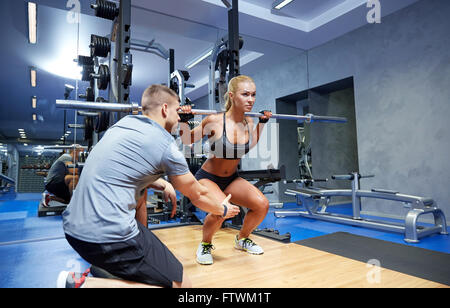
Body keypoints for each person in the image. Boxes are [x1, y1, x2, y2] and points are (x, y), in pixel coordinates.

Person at [58, 85, 240, 288]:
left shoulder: (123, 125)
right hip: (108, 235)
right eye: (177, 111)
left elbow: (122, 169)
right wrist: (223, 209)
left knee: (141, 197)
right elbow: (197, 195)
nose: (180, 117)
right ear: (164, 109)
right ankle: (84, 285)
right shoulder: (165, 146)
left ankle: (105, 271)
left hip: (73, 227)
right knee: (183, 287)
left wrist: (161, 183)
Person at [179, 75, 272, 265]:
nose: (251, 100)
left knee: (262, 205)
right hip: (209, 177)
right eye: (245, 94)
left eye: (253, 95)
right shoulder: (213, 120)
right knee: (223, 210)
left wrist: (262, 124)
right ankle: (205, 244)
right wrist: (184, 121)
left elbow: (250, 144)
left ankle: (242, 239)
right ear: (231, 95)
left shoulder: (250, 122)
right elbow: (188, 140)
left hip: (232, 178)